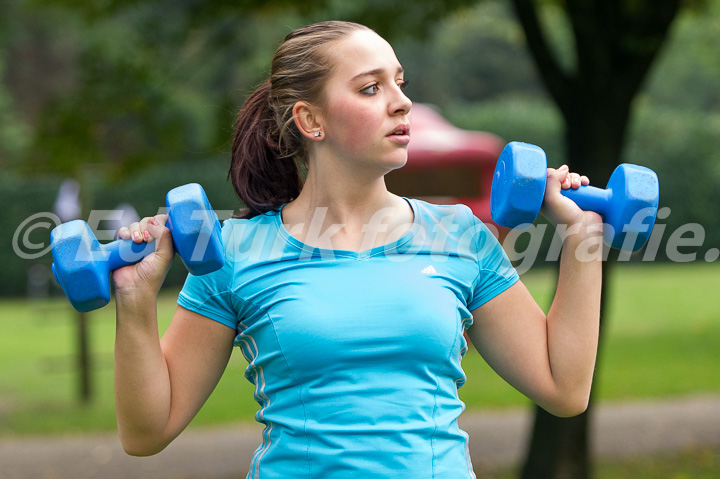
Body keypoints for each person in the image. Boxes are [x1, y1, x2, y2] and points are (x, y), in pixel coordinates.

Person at [113, 20, 602, 478]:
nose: (402, 103)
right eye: (372, 88)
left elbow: (564, 387)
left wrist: (582, 237)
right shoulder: (234, 253)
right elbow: (147, 433)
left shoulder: (460, 236)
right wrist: (135, 303)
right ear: (310, 119)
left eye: (400, 82)